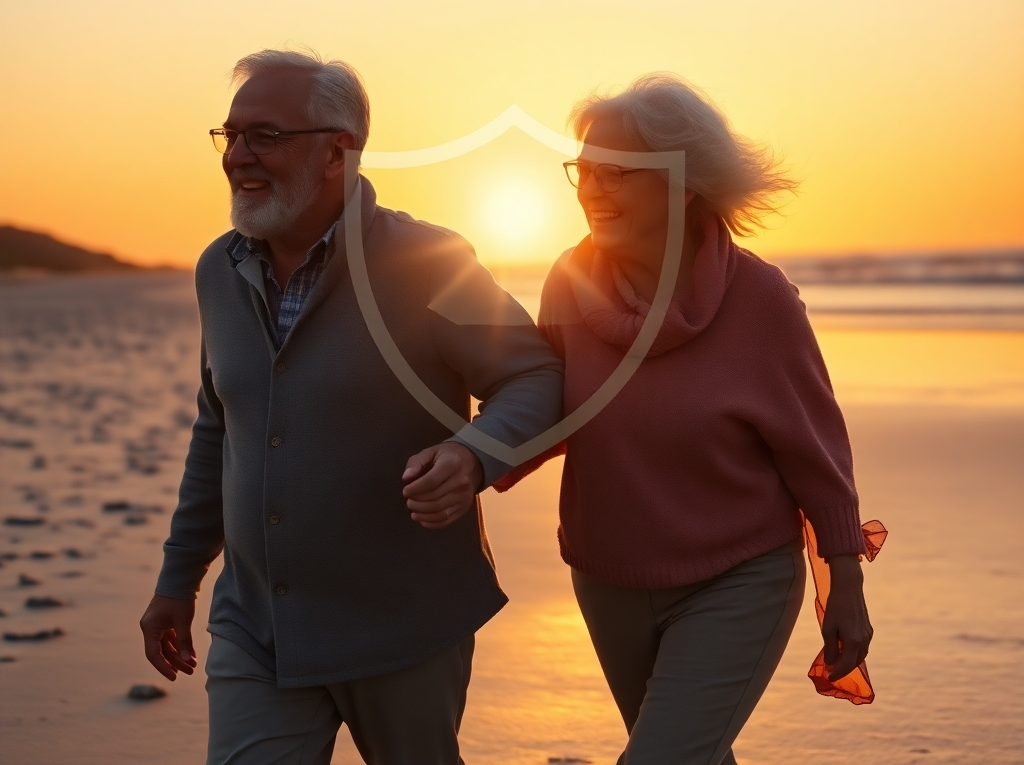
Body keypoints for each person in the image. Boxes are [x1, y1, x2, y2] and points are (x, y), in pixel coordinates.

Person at [139, 49, 563, 765]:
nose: (237, 155)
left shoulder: (431, 263)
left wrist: (473, 456)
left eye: (265, 136)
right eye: (230, 135)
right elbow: (219, 428)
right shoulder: (219, 269)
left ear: (339, 151)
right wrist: (178, 579)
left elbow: (535, 374)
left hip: (405, 628)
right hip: (257, 628)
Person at [496, 74, 874, 765]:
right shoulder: (568, 283)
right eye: (584, 169)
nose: (592, 189)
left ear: (686, 182)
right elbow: (545, 410)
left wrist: (844, 585)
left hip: (738, 576)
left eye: (618, 172)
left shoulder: (760, 298)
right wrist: (462, 455)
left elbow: (815, 452)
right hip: (607, 575)